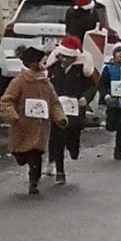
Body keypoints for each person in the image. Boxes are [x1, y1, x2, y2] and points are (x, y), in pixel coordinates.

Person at [0, 43, 66, 194]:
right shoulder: (19, 81)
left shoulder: (46, 83)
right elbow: (7, 100)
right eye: (43, 62)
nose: (45, 64)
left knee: (36, 156)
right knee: (21, 153)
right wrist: (11, 114)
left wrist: (60, 117)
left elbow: (54, 103)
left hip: (40, 127)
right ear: (33, 63)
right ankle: (20, 156)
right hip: (22, 125)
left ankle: (34, 183)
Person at [48, 37, 93, 183]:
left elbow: (92, 86)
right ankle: (60, 172)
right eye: (61, 56)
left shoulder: (81, 70)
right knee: (57, 139)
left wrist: (85, 98)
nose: (63, 60)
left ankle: (74, 148)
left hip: (75, 110)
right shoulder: (54, 69)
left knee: (73, 135)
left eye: (67, 57)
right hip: (57, 109)